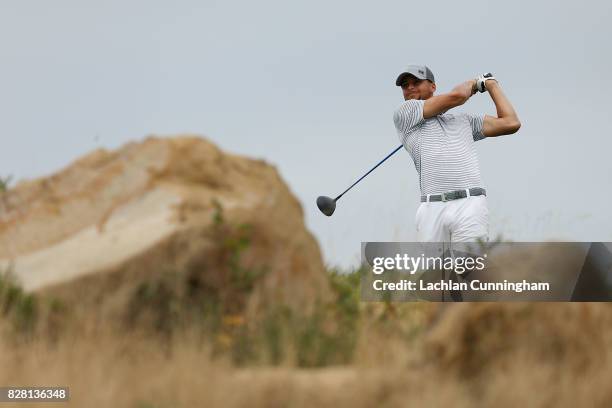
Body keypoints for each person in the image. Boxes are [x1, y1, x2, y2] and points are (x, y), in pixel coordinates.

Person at [393, 65, 520, 243]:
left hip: (470, 204)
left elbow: (511, 122)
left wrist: (492, 85)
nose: (410, 87)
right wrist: (475, 83)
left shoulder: (464, 121)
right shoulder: (404, 113)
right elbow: (457, 96)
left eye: (416, 82)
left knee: (470, 269)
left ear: (433, 87)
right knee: (435, 271)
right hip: (432, 208)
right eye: (405, 85)